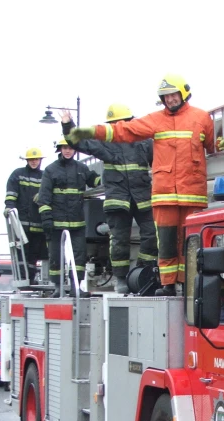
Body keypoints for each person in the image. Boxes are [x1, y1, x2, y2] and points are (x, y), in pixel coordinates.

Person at [67, 74, 216, 296]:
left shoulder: (202, 117)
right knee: (163, 242)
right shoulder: (152, 122)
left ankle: (183, 282)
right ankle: (164, 283)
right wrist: (87, 131)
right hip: (161, 194)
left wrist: (223, 143)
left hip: (189, 193)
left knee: (189, 241)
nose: (170, 100)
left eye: (173, 95)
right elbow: (120, 132)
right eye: (166, 97)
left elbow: (212, 145)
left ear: (183, 93)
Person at [61, 107, 156, 294]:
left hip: (142, 197)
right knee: (119, 240)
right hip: (118, 200)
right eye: (115, 123)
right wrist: (67, 125)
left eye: (122, 122)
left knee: (152, 235)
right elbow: (79, 142)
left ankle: (141, 271)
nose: (119, 126)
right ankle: (121, 278)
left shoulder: (144, 142)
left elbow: (161, 157)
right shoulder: (105, 142)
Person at [38, 138, 101, 297]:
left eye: (70, 148)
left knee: (79, 256)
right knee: (56, 257)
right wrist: (46, 219)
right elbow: (44, 197)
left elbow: (95, 182)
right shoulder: (50, 170)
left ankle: (76, 287)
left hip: (77, 223)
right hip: (56, 223)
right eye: (64, 148)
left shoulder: (81, 168)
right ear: (60, 149)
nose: (68, 150)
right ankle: (58, 288)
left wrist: (109, 168)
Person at [4, 147, 49, 283]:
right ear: (26, 160)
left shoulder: (45, 176)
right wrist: (9, 207)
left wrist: (42, 195)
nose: (34, 162)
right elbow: (11, 194)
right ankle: (23, 278)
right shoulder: (18, 174)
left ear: (40, 160)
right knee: (21, 254)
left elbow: (51, 192)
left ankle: (30, 278)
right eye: (31, 159)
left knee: (33, 255)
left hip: (38, 223)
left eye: (36, 159)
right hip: (21, 224)